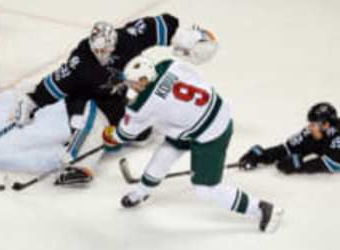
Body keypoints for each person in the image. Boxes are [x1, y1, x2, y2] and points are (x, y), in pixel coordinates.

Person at [13, 13, 219, 185]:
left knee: (141, 133)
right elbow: (54, 84)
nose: (104, 54)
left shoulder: (128, 38)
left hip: (112, 100)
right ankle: (77, 165)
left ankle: (174, 128)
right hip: (83, 101)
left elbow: (160, 25)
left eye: (108, 49)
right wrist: (32, 102)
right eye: (99, 51)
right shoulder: (80, 61)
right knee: (89, 122)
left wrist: (186, 37)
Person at [102, 55, 283, 232]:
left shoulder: (141, 105)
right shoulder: (168, 65)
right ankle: (140, 193)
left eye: (133, 83)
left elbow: (125, 134)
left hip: (212, 133)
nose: (131, 87)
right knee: (165, 153)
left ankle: (261, 208)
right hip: (210, 112)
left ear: (143, 80)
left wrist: (111, 136)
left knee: (206, 189)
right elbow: (197, 78)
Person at [239, 102, 340, 174]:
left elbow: (335, 164)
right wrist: (261, 156)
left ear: (326, 125)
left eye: (314, 124)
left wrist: (300, 165)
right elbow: (286, 149)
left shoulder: (337, 137)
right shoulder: (310, 132)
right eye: (310, 123)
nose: (309, 127)